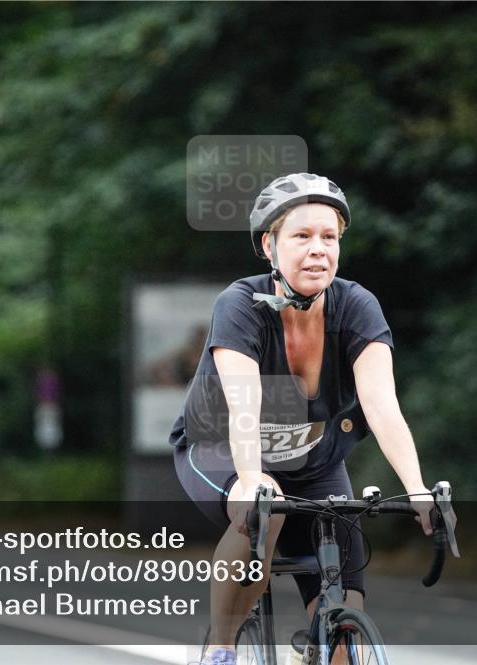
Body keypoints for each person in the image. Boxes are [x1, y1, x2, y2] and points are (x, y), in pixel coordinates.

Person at [169, 173, 434, 665]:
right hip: (223, 447)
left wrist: (417, 489)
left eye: (329, 237)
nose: (318, 249)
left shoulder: (357, 306)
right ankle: (222, 650)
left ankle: (315, 650)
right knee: (263, 514)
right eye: (302, 236)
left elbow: (381, 403)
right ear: (269, 245)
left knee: (342, 638)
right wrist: (250, 480)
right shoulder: (240, 305)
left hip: (313, 461)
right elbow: (245, 404)